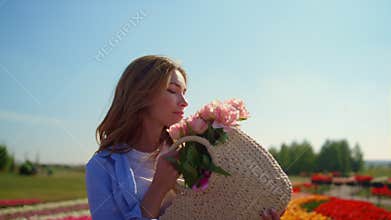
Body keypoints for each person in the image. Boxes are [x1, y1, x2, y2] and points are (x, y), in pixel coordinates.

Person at [85, 55, 281, 219]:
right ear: (140, 95)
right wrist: (159, 187)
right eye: (172, 91)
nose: (185, 102)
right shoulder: (102, 167)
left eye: (185, 93)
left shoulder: (193, 151)